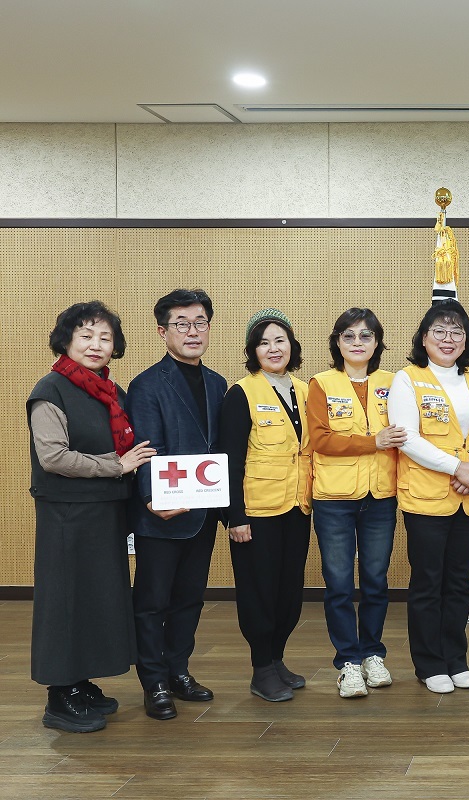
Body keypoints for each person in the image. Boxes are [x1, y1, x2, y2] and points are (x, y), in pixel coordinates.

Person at [27, 302, 155, 732]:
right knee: (65, 602)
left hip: (105, 512)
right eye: (86, 335)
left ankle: (79, 683)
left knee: (94, 599)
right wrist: (117, 465)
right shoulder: (51, 389)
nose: (96, 345)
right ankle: (59, 696)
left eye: (105, 337)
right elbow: (54, 457)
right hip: (67, 515)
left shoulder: (110, 391)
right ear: (65, 340)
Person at [127, 289, 227, 720]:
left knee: (189, 598)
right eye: (181, 324)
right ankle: (154, 682)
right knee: (152, 601)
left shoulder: (218, 383)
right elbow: (147, 447)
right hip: (160, 513)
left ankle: (178, 670)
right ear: (162, 332)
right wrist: (152, 497)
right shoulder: (146, 384)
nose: (192, 332)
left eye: (200, 322)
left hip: (202, 511)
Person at [389, 300, 469, 694]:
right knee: (427, 582)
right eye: (439, 331)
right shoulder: (408, 379)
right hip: (426, 498)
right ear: (423, 337)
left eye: (457, 331)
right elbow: (406, 438)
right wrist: (457, 468)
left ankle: (456, 659)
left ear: (466, 340)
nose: (448, 338)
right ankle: (430, 664)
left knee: (459, 582)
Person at [307, 308, 405, 699]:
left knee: (376, 581)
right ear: (337, 342)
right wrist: (373, 442)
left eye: (366, 336)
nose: (357, 343)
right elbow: (321, 439)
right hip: (334, 500)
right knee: (339, 584)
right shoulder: (321, 383)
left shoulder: (394, 382)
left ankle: (373, 654)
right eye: (348, 336)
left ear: (377, 342)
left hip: (380, 497)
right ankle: (347, 662)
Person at [218, 309, 312, 703]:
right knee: (258, 591)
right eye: (263, 343)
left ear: (292, 346)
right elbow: (230, 459)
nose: (273, 349)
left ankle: (277, 659)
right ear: (252, 351)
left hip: (297, 507)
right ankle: (261, 668)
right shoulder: (241, 393)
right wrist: (234, 516)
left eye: (280, 340)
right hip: (256, 513)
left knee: (288, 591)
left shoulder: (306, 390)